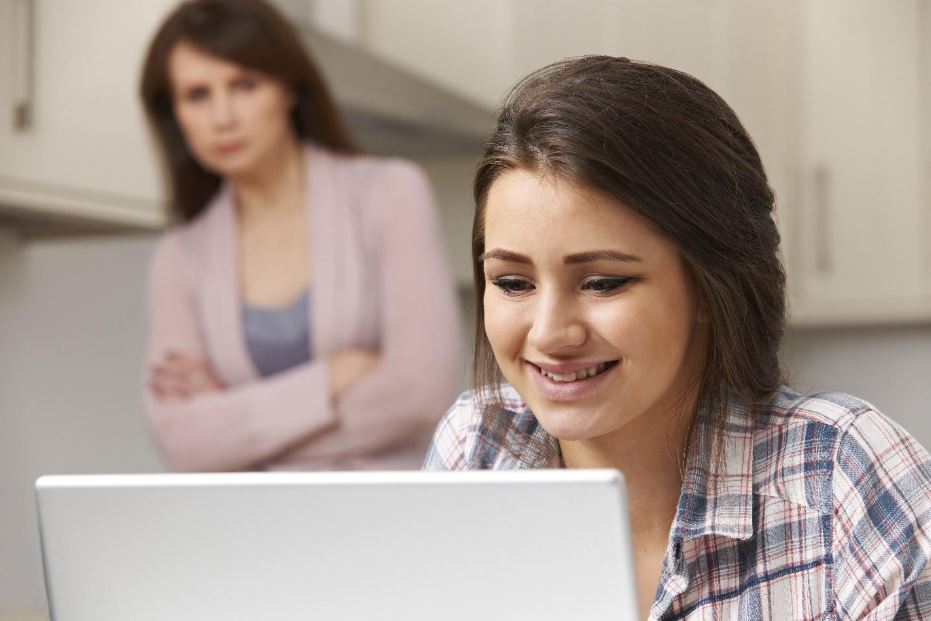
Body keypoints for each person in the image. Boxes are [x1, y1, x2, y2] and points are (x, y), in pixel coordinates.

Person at [424, 56, 931, 619]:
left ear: (712, 286)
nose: (549, 333)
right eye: (512, 282)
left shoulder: (842, 477)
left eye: (603, 282)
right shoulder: (477, 445)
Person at [140, 0, 462, 472]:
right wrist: (329, 379)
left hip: (390, 524)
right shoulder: (179, 255)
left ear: (288, 88)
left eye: (243, 85)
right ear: (175, 114)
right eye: (197, 95)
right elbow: (183, 442)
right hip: (250, 534)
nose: (223, 116)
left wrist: (241, 434)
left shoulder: (390, 192)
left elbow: (420, 394)